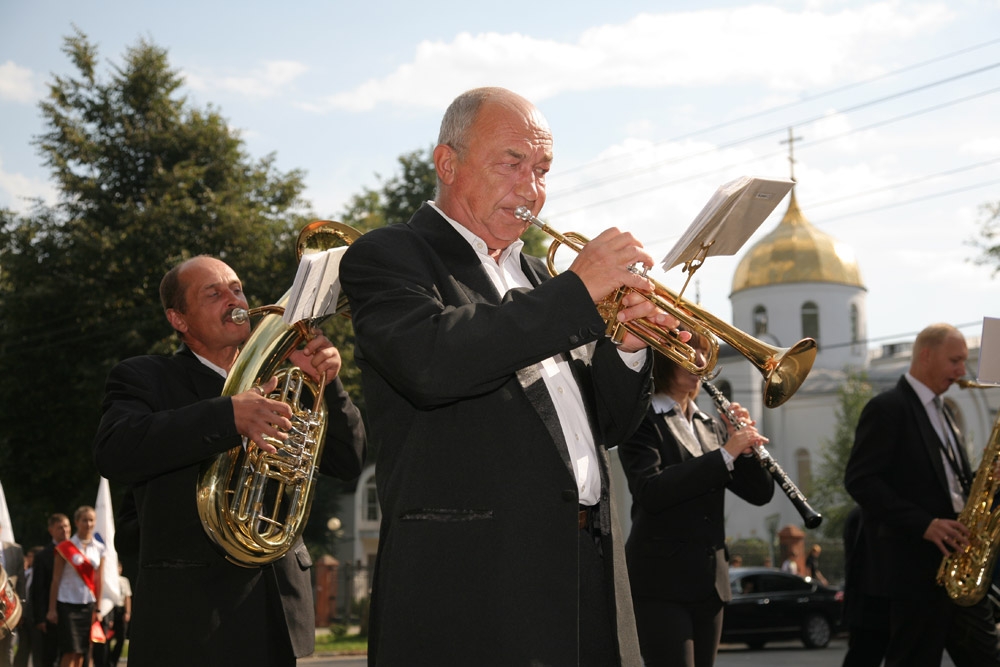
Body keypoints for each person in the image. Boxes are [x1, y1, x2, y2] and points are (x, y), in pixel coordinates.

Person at [339, 86, 681, 666]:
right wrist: (577, 294)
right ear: (448, 163)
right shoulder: (390, 255)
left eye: (543, 169)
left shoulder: (538, 282)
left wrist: (624, 348)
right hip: (475, 583)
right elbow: (433, 362)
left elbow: (608, 427)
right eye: (512, 162)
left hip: (586, 564)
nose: (531, 186)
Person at [93, 255, 366, 667]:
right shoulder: (145, 376)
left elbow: (349, 461)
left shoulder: (285, 379)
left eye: (236, 288)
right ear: (179, 320)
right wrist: (227, 416)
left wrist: (328, 385)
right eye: (214, 292)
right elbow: (114, 450)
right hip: (191, 618)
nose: (234, 298)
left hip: (275, 610)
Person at [844, 322, 1000, 666]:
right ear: (926, 356)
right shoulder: (888, 407)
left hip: (956, 561)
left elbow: (949, 485)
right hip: (914, 568)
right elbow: (860, 480)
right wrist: (926, 524)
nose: (963, 370)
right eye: (955, 361)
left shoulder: (944, 411)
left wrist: (986, 478)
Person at [618, 342, 774, 667]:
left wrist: (744, 451)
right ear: (663, 361)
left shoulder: (710, 424)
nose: (700, 364)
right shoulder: (640, 418)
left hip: (710, 583)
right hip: (660, 582)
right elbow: (650, 490)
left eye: (705, 355)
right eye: (688, 356)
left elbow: (760, 494)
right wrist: (725, 454)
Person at [46, 506, 105, 667]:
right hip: (67, 603)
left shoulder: (99, 548)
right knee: (69, 649)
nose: (88, 524)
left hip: (87, 604)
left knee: (81, 651)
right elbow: (56, 579)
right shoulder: (66, 547)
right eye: (84, 520)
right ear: (77, 522)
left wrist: (98, 608)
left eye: (91, 520)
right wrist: (52, 609)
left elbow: (99, 579)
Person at [28, 514, 70, 667]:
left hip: (73, 613)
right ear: (51, 530)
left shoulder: (78, 553)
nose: (64, 530)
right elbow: (38, 590)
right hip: (52, 616)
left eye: (66, 526)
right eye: (60, 527)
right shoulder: (42, 556)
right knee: (49, 656)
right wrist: (40, 618)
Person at [0, 525, 24, 667]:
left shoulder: (15, 550)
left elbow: (21, 581)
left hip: (9, 609)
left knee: (6, 650)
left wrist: (22, 609)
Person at [104, 562, 130, 666]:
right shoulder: (108, 580)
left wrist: (127, 612)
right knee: (107, 638)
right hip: (111, 609)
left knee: (121, 637)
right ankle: (106, 660)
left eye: (119, 567)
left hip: (121, 610)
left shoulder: (124, 580)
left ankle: (114, 661)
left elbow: (127, 597)